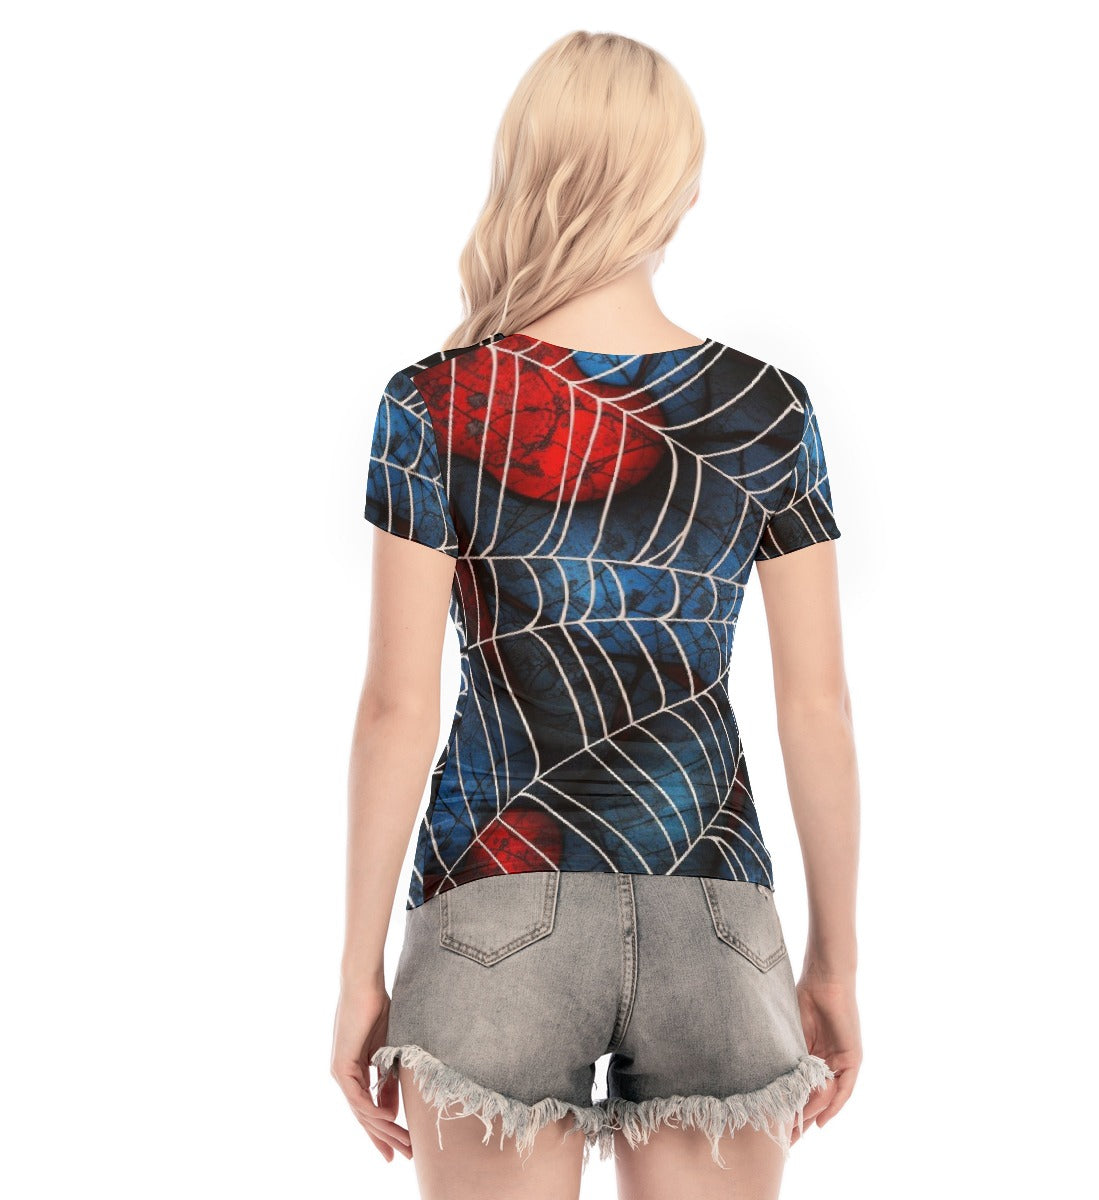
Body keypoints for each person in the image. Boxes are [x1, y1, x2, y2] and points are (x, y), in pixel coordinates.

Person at [331, 29, 862, 1200]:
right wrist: (833, 960)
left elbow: (396, 708)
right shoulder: (769, 408)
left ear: (525, 167)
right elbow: (817, 707)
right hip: (717, 902)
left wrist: (360, 970)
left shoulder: (433, 403)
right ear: (680, 185)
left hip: (490, 894)